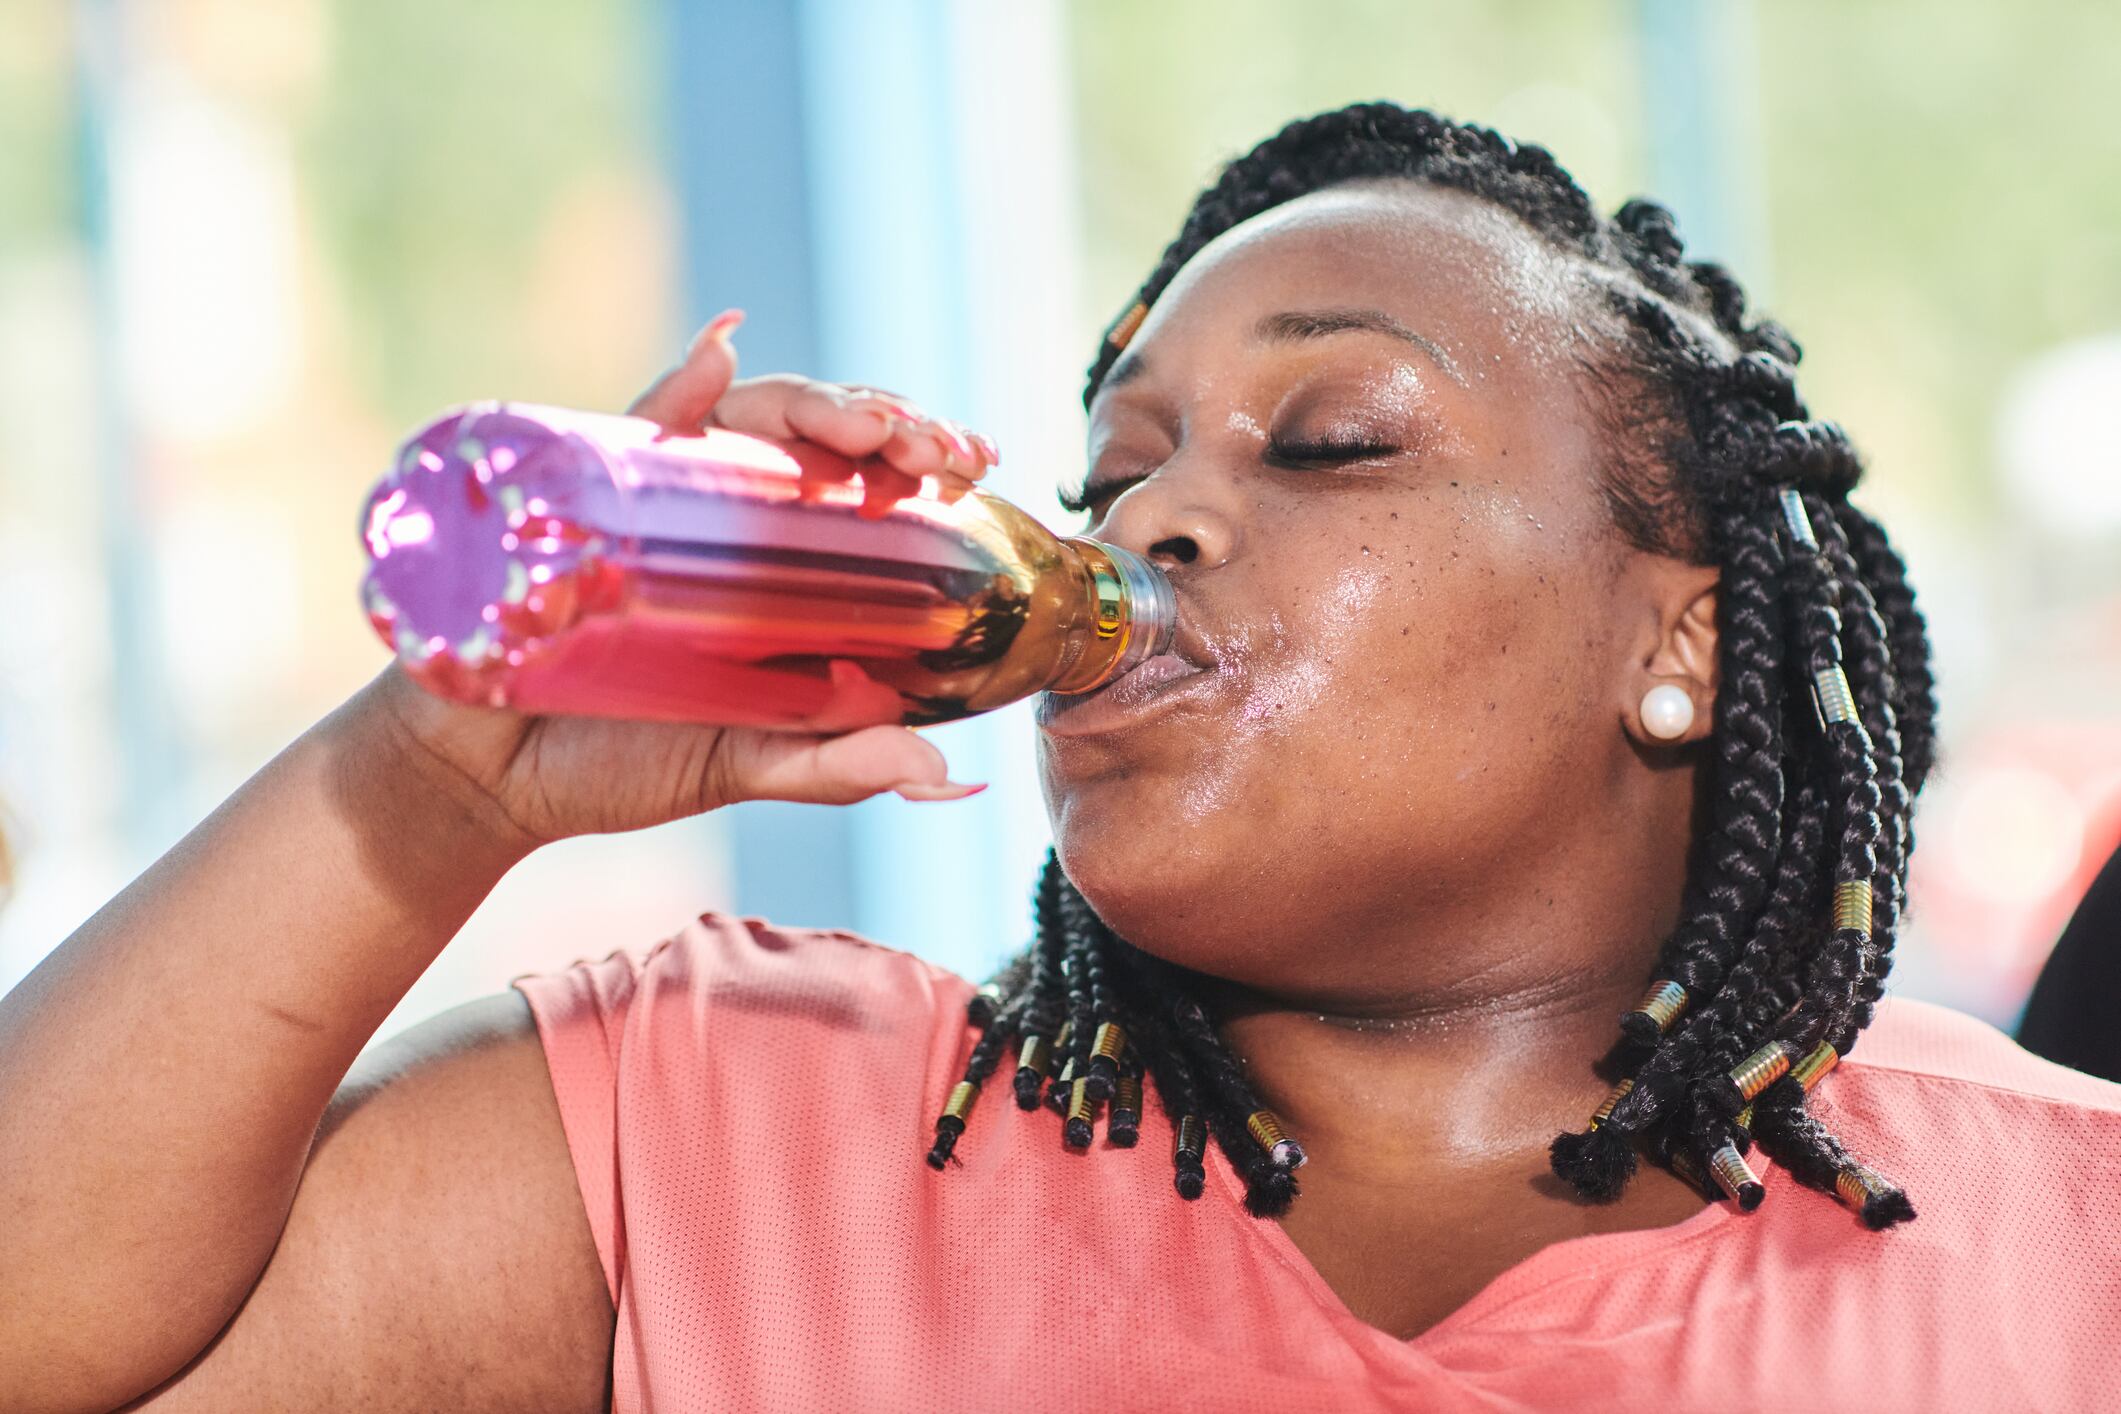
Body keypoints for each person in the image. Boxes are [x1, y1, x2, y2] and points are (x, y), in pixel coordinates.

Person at [3, 103, 2117, 1414]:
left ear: (1681, 636)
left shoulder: (2061, 1235)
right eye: (1110, 474)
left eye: (1332, 439)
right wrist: (438, 777)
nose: (1153, 526)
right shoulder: (734, 1124)